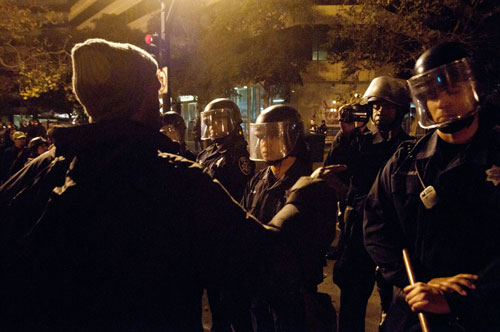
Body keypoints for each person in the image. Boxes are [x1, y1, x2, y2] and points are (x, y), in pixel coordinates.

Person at [364, 42, 500, 332]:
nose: (443, 102)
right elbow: (376, 226)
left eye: (452, 90)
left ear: (473, 86)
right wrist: (416, 284)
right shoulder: (406, 163)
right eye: (433, 95)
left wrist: (461, 298)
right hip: (417, 313)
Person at [324, 77, 414, 332]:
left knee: (396, 308)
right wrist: (344, 133)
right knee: (352, 302)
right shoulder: (359, 141)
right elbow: (332, 170)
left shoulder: (408, 147)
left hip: (392, 237)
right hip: (358, 234)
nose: (379, 112)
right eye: (375, 106)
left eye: (387, 106)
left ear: (400, 110)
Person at [242, 105, 313, 330]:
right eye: (261, 137)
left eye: (271, 137)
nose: (263, 144)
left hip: (289, 287)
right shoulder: (258, 180)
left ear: (291, 137)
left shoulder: (304, 182)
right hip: (258, 281)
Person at [197, 98, 255, 201]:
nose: (211, 126)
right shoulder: (205, 153)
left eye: (218, 121)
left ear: (232, 122)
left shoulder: (237, 157)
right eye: (209, 122)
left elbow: (238, 197)